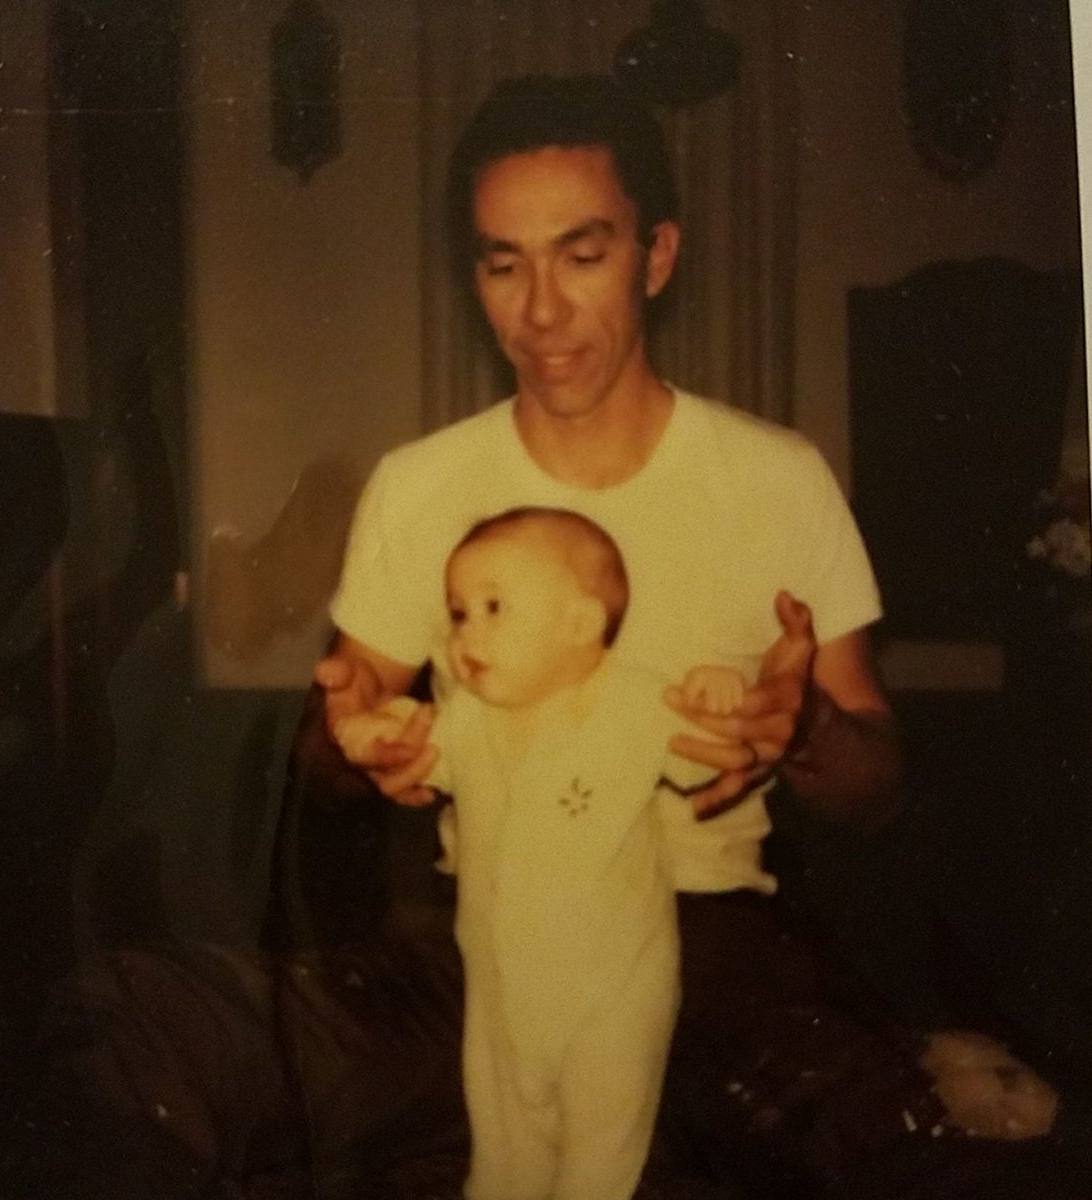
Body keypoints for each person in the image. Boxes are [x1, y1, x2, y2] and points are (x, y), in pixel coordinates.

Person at [312, 72, 1071, 1195]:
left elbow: (880, 784)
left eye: (583, 254)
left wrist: (801, 725)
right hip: (481, 941)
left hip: (715, 948)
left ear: (656, 255)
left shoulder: (775, 479)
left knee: (920, 1162)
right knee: (146, 1036)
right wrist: (352, 743)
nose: (541, 311)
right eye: (502, 262)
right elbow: (329, 744)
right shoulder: (418, 488)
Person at [337, 505, 742, 1200]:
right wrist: (374, 732)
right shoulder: (467, 715)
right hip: (498, 986)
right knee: (502, 1142)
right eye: (460, 612)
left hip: (614, 990)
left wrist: (719, 699)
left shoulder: (636, 704)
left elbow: (716, 759)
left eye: (495, 607)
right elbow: (415, 743)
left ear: (581, 625)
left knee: (599, 1147)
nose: (467, 633)